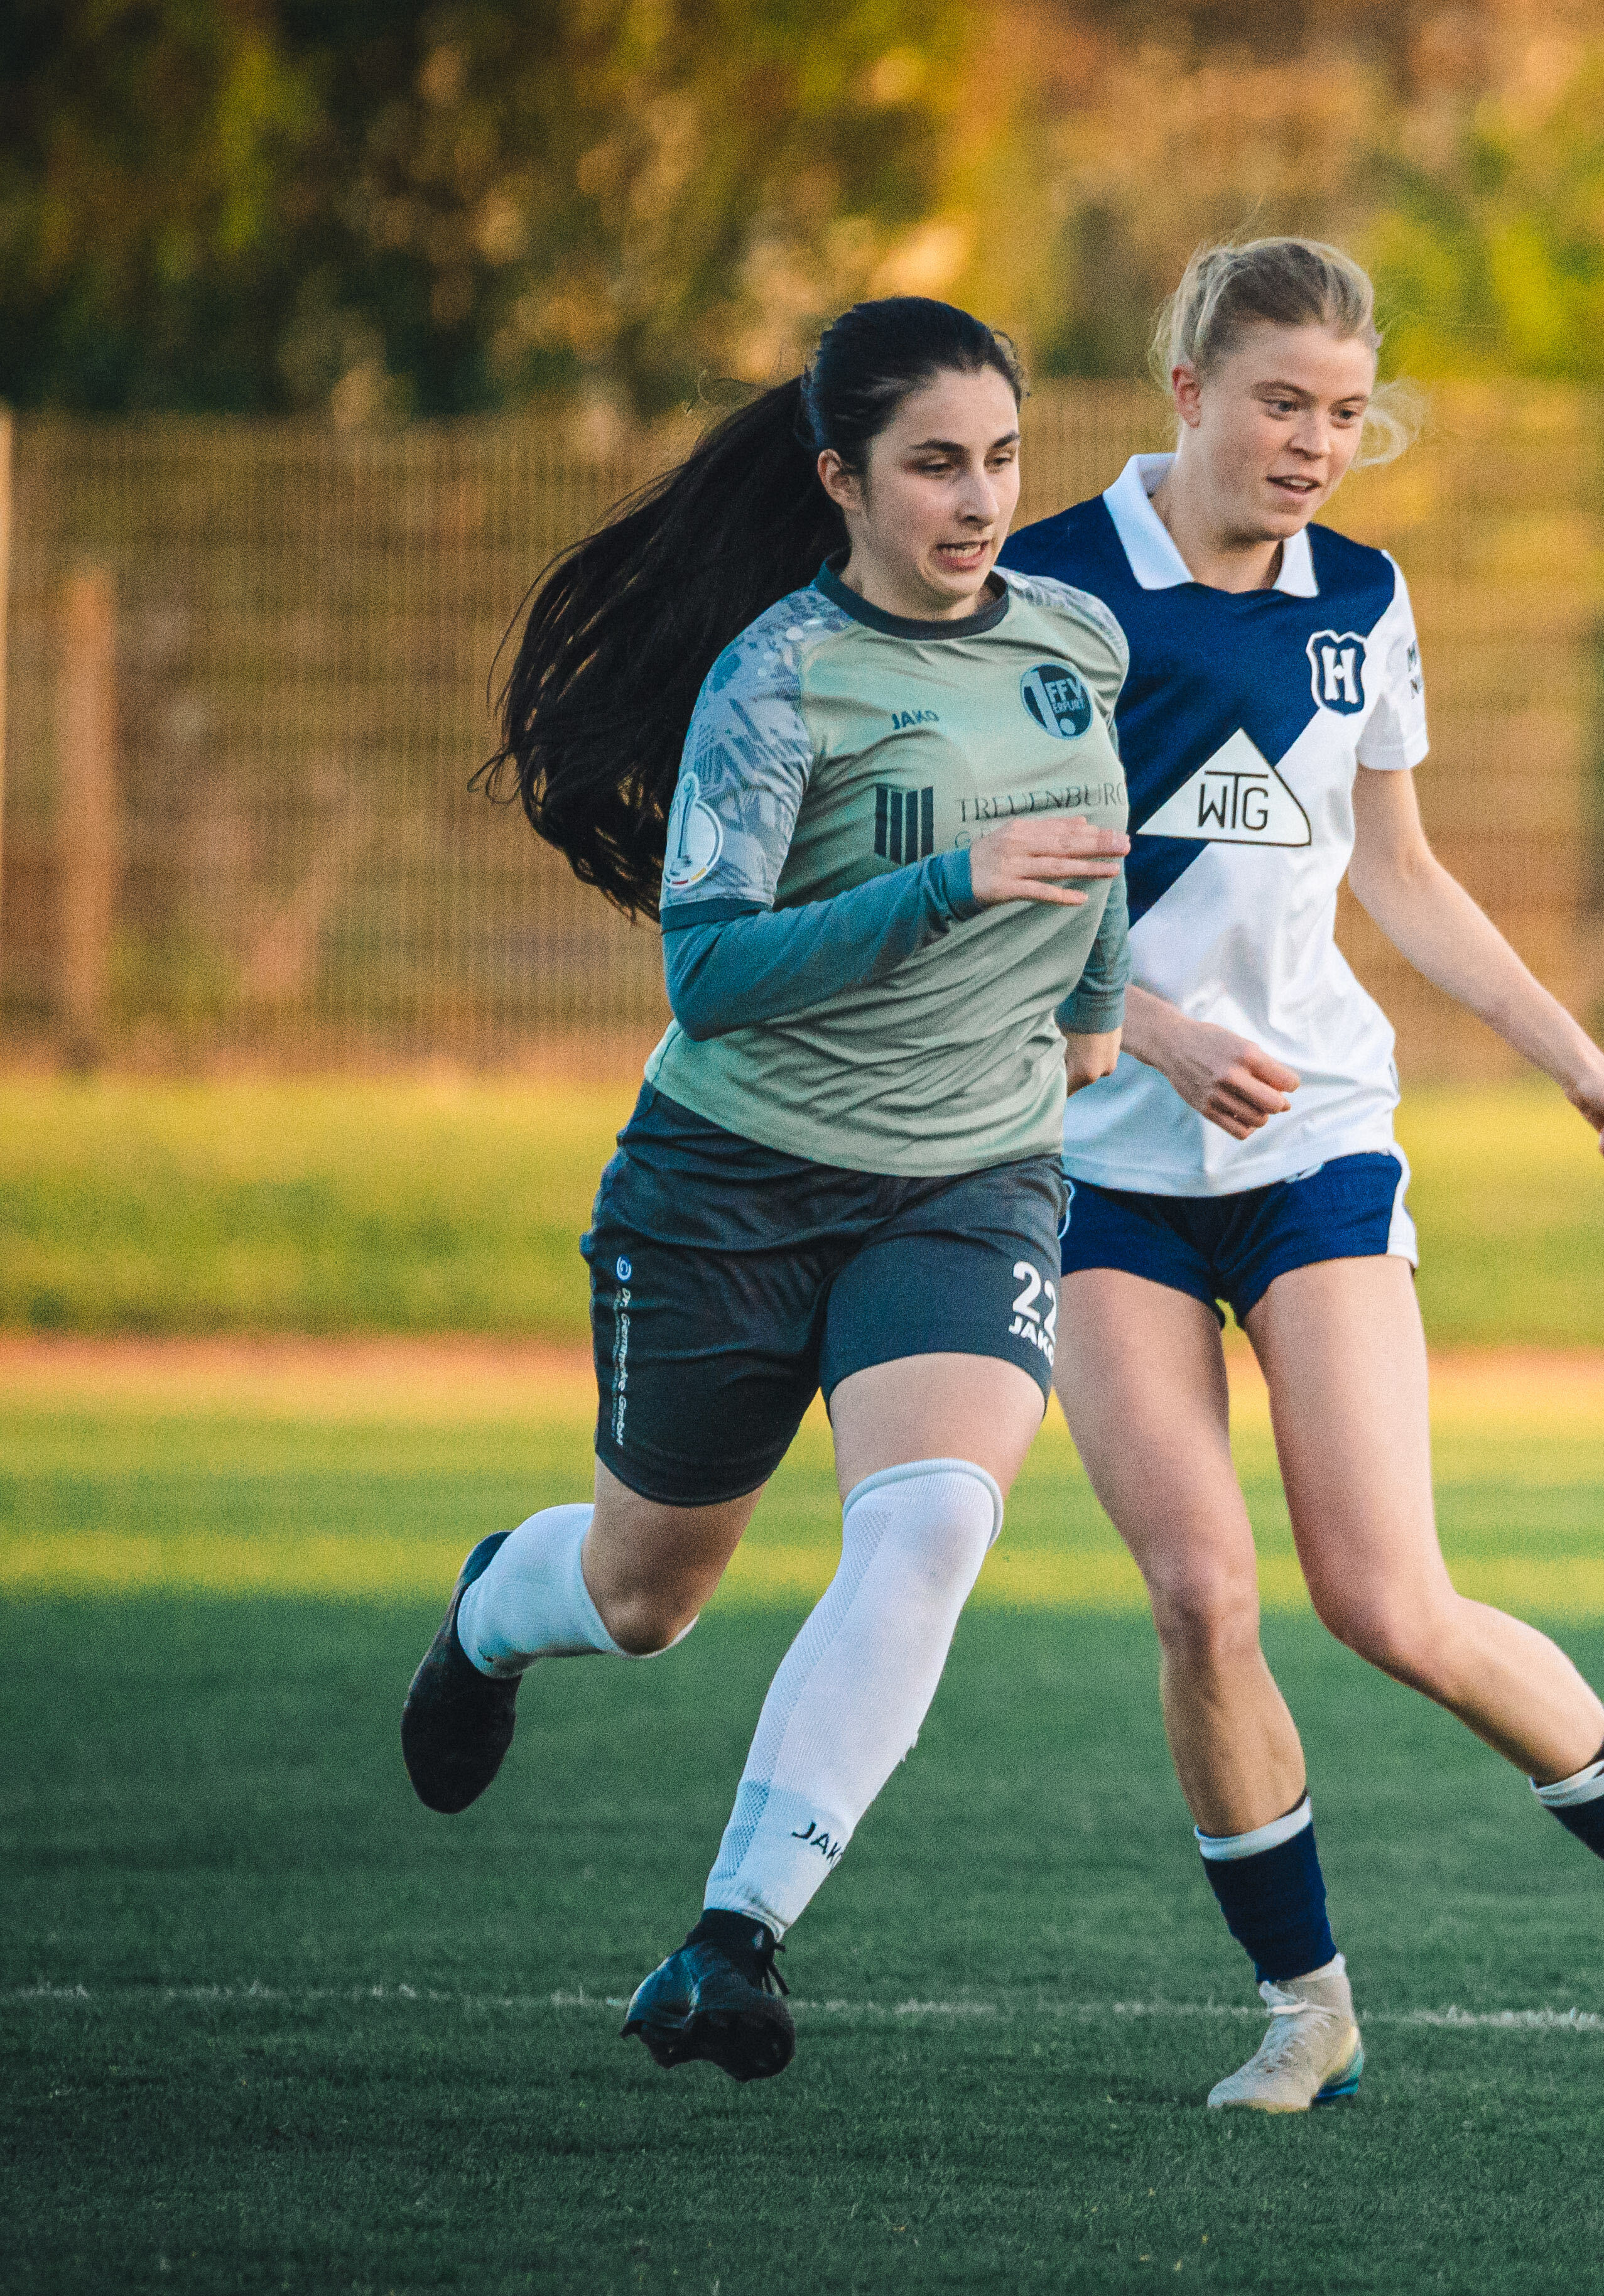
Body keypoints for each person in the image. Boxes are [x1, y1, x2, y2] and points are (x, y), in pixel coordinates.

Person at [996, 238, 1604, 2113]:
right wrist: (1156, 1024)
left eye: (1348, 414)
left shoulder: (1361, 595)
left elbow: (1402, 874)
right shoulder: (1044, 587)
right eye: (1282, 403)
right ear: (1184, 389)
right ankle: (1309, 2008)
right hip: (1097, 1162)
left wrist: (1584, 1068)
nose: (1316, 445)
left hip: (1317, 1147)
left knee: (1385, 1599)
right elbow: (996, 862)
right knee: (1200, 1593)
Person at [408, 296, 1137, 2086]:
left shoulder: (1077, 640)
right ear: (841, 478)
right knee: (650, 1598)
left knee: (933, 1524)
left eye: (1002, 459)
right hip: (729, 1181)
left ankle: (734, 1940)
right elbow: (711, 973)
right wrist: (951, 884)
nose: (979, 501)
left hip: (968, 1178)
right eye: (935, 466)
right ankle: (493, 1611)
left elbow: (1100, 844)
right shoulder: (776, 678)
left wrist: (1103, 1014)